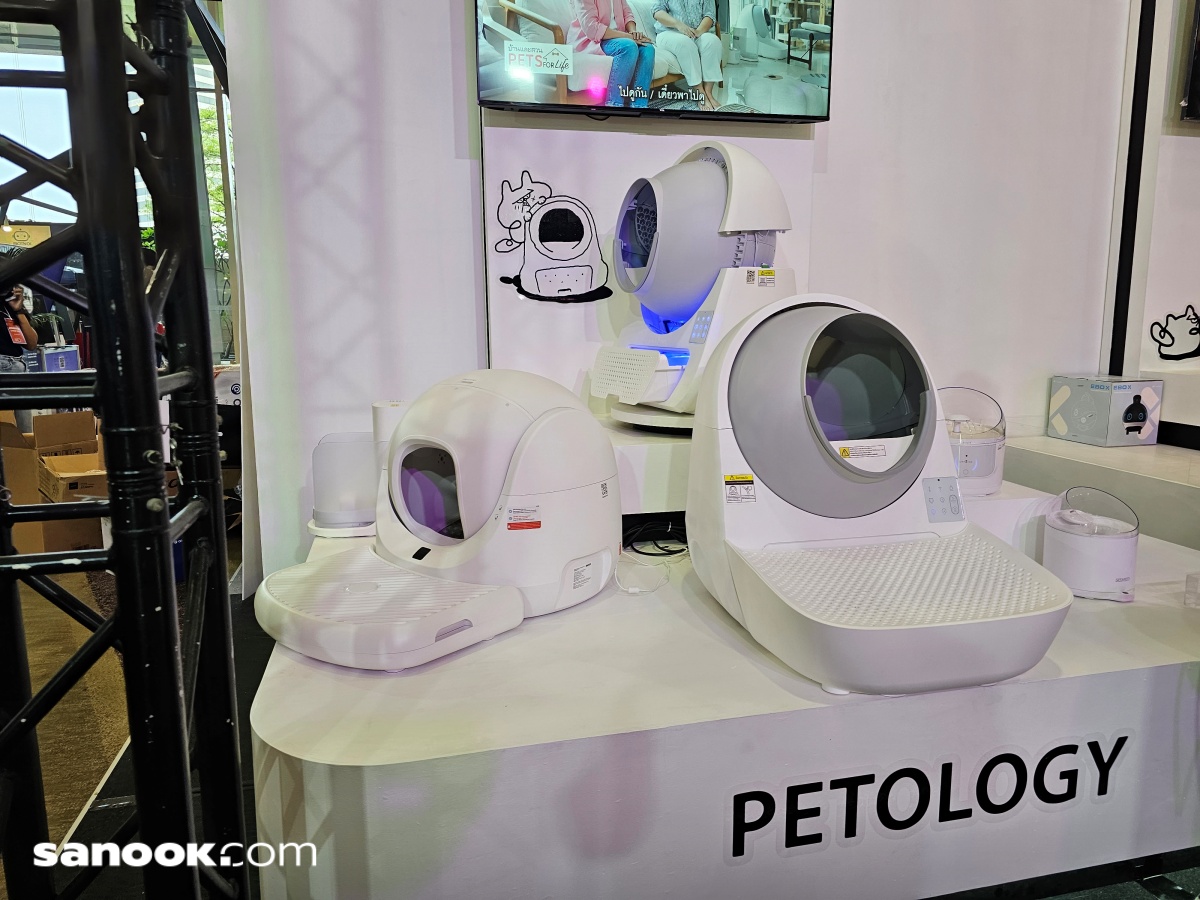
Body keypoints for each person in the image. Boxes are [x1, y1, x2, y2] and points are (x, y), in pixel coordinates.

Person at [568, 0, 655, 109]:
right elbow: (592, 28)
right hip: (593, 39)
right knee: (629, 47)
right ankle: (614, 104)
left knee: (648, 48)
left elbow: (627, 13)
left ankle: (639, 105)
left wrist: (633, 32)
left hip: (619, 37)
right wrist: (629, 37)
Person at [652, 0, 722, 110]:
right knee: (686, 44)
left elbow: (709, 15)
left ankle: (708, 92)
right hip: (669, 33)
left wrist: (698, 32)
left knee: (712, 42)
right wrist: (678, 24)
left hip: (696, 32)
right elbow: (657, 12)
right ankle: (700, 93)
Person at [1, 284, 39, 432]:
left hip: (18, 369)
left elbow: (31, 343)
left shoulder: (8, 305)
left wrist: (19, 311)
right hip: (3, 367)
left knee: (25, 433)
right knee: (7, 432)